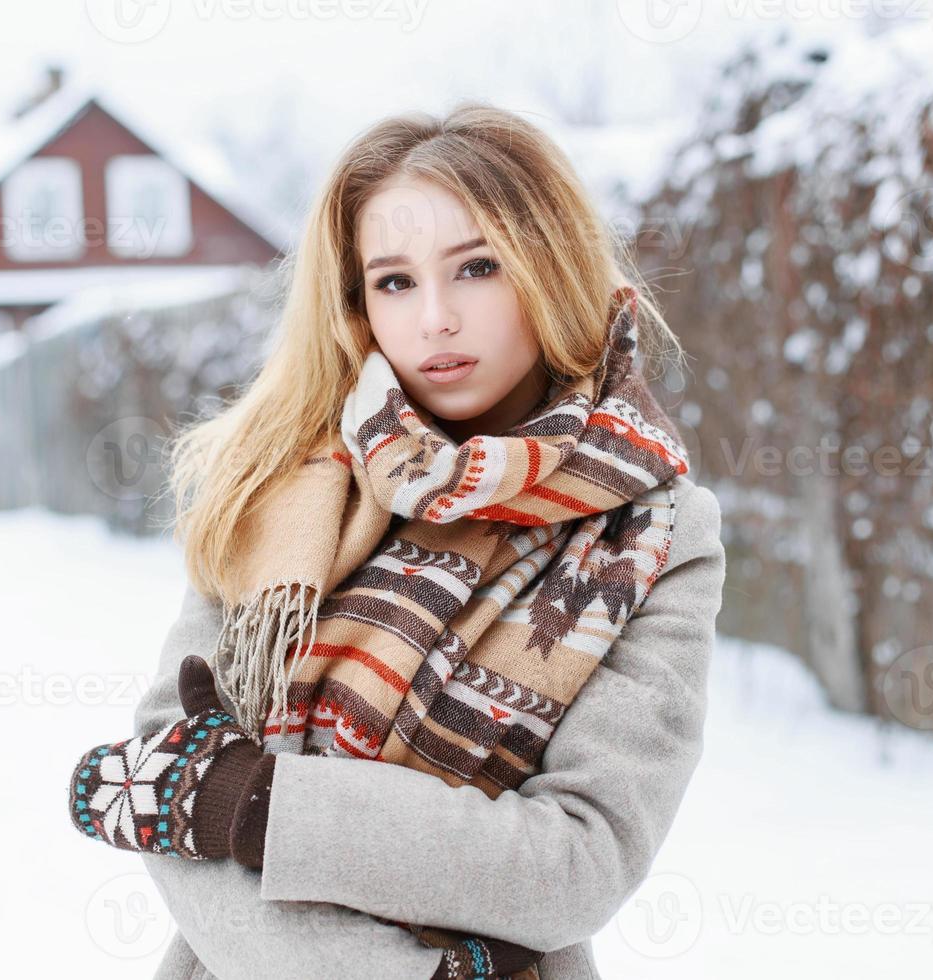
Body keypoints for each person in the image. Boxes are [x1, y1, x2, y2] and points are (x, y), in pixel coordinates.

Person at [66, 101, 727, 980]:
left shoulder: (655, 535)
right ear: (357, 303)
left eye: (478, 267)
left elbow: (577, 862)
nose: (436, 319)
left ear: (550, 265)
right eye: (395, 282)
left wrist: (253, 805)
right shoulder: (282, 487)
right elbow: (165, 787)